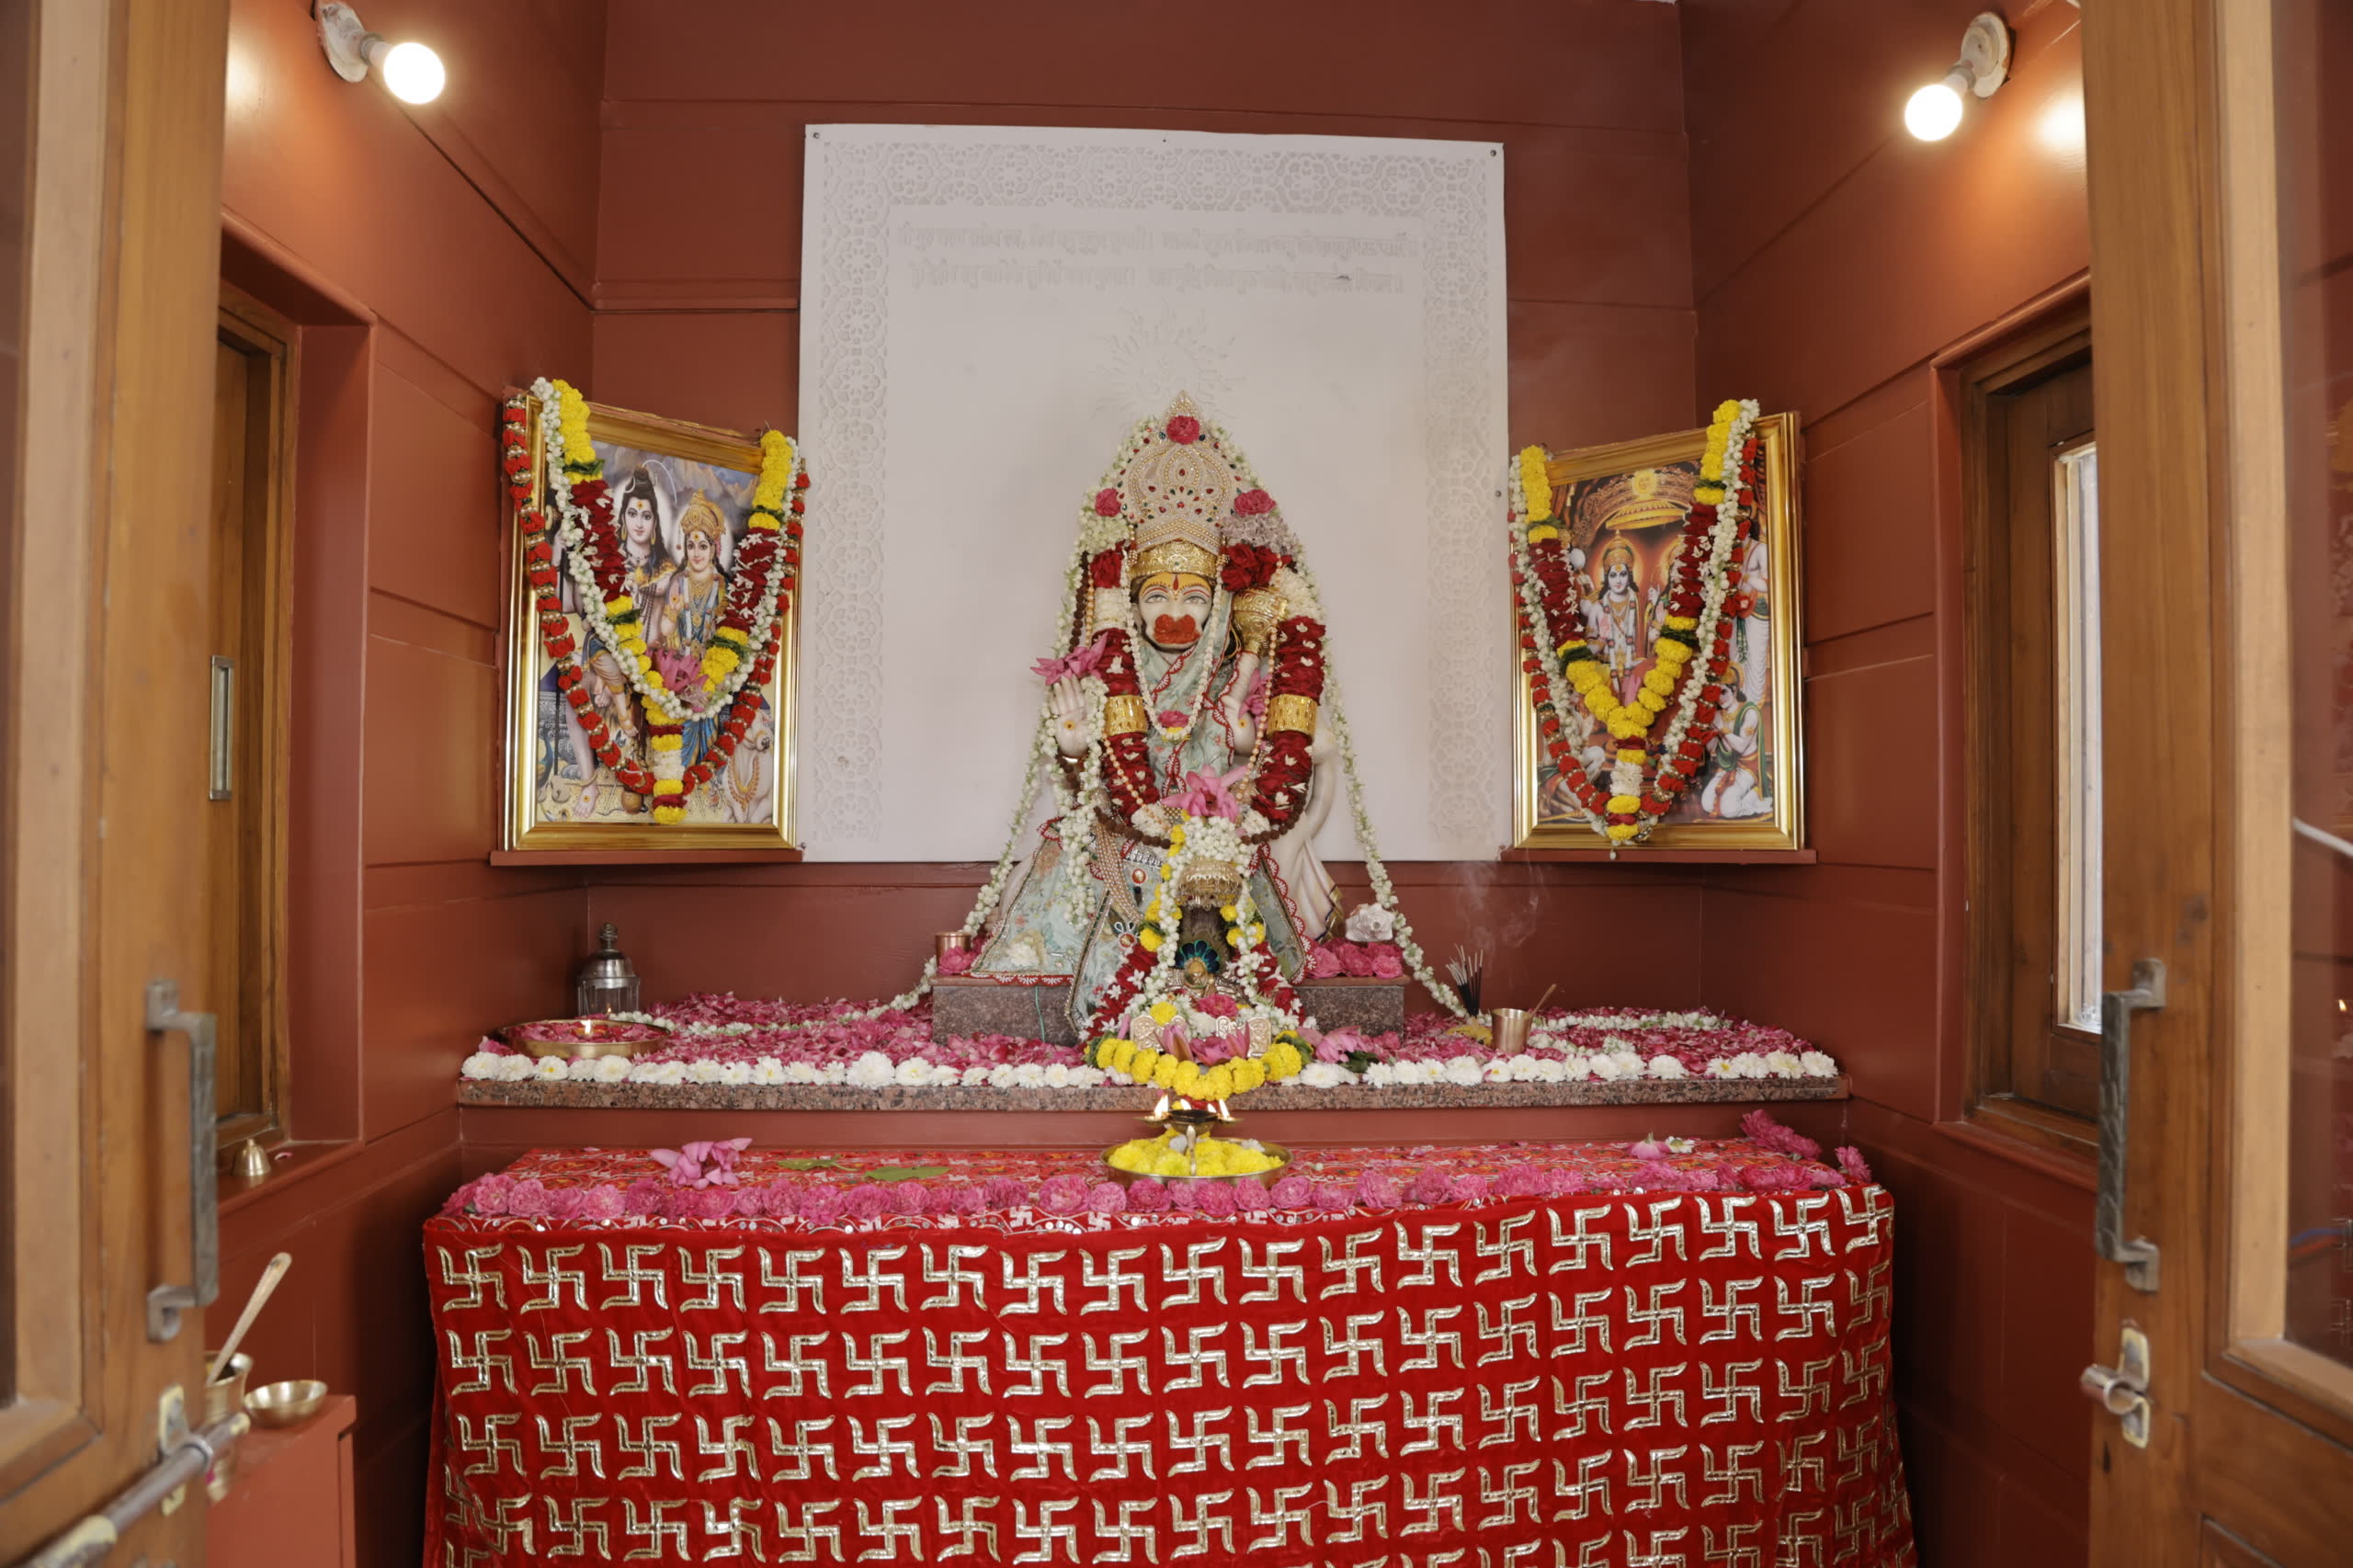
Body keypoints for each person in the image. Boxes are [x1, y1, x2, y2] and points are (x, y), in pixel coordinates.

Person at [972, 395, 1337, 1034]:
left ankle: (1211, 999)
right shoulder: (1109, 673)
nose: (1175, 614)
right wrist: (1076, 750)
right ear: (1133, 605)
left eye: (1194, 598)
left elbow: (1285, 764)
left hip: (1216, 843)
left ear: (1217, 609)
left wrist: (1247, 744)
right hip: (1125, 834)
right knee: (1071, 856)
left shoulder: (1232, 679)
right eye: (1157, 598)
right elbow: (1093, 787)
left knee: (1228, 871)